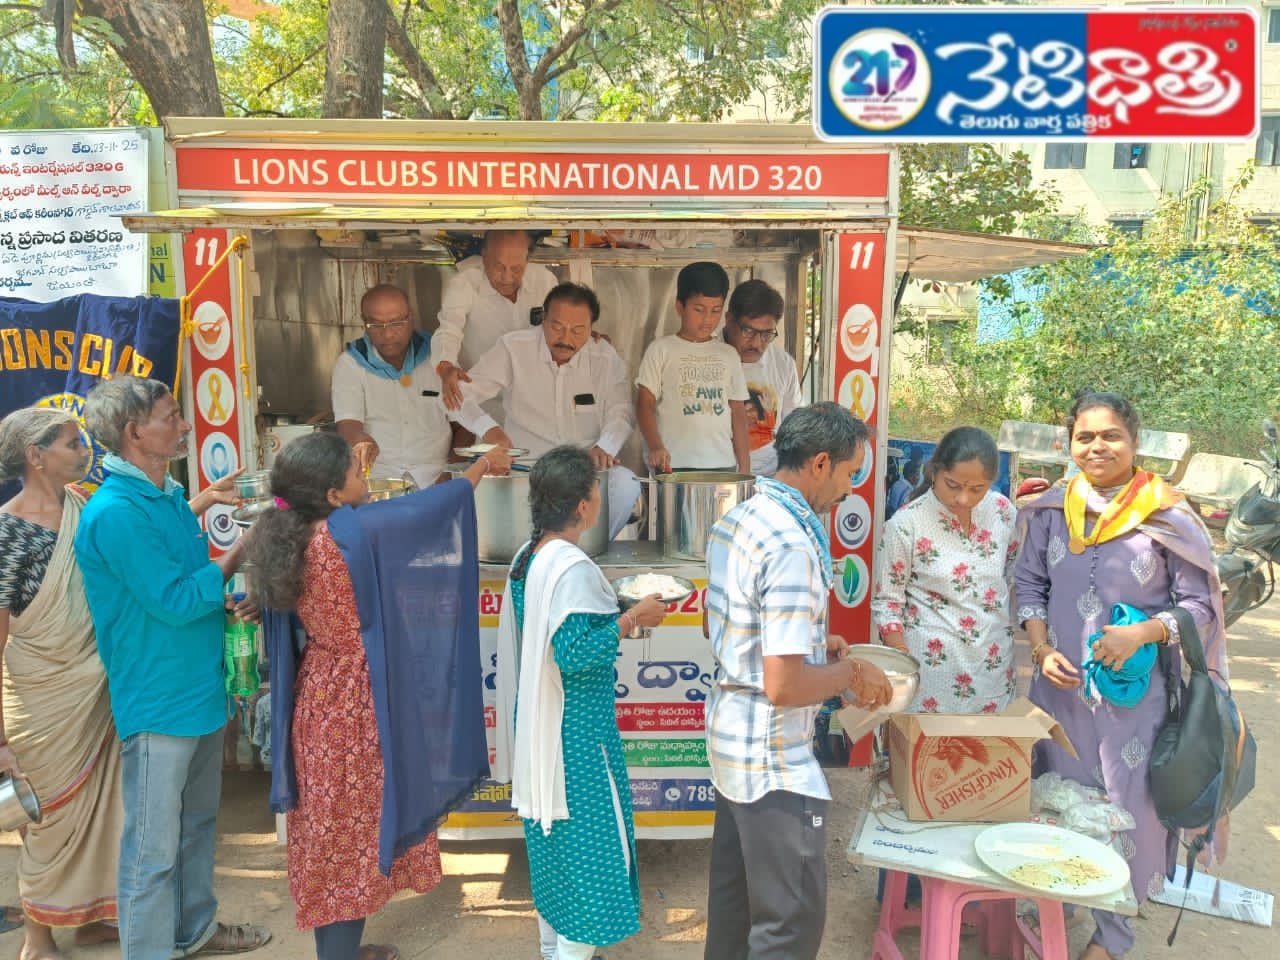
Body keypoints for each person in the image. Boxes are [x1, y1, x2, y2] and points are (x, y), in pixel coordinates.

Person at [249, 433, 511, 960]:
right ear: (331, 494)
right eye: (354, 472)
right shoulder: (352, 536)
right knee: (352, 841)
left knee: (334, 837)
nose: (363, 477)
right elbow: (428, 509)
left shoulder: (288, 533)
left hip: (319, 697)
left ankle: (343, 950)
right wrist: (481, 466)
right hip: (360, 704)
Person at [1014, 391, 1227, 960]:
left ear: (1134, 441)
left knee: (1127, 812)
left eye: (1110, 435)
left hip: (1134, 705)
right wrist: (1039, 649)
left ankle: (1110, 939)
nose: (1097, 446)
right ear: (1070, 444)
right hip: (1057, 695)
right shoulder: (1052, 509)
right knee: (1056, 805)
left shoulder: (1166, 515)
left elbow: (1199, 606)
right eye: (1085, 436)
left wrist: (1142, 633)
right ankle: (1052, 915)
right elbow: (1029, 587)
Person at [73, 376, 270, 960]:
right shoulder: (115, 513)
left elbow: (191, 579)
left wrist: (230, 590)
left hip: (199, 687)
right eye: (172, 415)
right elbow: (178, 600)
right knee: (151, 851)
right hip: (158, 701)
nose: (184, 426)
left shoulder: (161, 496)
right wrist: (243, 550)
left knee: (197, 827)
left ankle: (194, 932)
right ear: (136, 433)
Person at [703, 403, 893, 960]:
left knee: (735, 913)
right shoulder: (790, 544)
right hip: (771, 758)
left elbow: (726, 626)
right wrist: (851, 674)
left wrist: (818, 647)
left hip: (732, 740)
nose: (849, 487)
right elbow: (783, 686)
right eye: (849, 472)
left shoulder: (740, 517)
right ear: (818, 462)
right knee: (789, 924)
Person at [493, 446, 667, 960]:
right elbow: (573, 653)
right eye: (595, 490)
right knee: (591, 858)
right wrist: (632, 620)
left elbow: (558, 627)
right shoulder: (568, 566)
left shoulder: (531, 556)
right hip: (575, 738)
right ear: (584, 506)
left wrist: (613, 605)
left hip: (544, 725)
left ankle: (552, 950)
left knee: (553, 855)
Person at [0, 407, 121, 960]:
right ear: (36, 455)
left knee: (103, 808)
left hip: (94, 686)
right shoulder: (7, 532)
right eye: (73, 444)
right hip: (39, 696)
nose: (84, 451)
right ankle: (37, 938)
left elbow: (131, 552)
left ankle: (94, 916)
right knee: (46, 819)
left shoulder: (84, 509)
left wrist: (207, 501)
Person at [454, 282, 640, 537]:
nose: (566, 339)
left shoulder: (604, 357)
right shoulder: (514, 348)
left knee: (626, 484)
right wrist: (489, 430)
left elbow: (622, 412)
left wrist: (604, 448)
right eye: (557, 327)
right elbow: (456, 396)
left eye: (577, 330)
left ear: (591, 329)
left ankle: (580, 552)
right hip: (524, 472)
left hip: (581, 473)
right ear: (543, 319)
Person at [871, 427, 1018, 714]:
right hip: (930, 677)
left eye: (977, 489)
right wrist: (903, 667)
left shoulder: (1003, 512)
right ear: (934, 472)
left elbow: (1013, 576)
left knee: (990, 756)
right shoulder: (905, 524)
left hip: (993, 670)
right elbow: (887, 603)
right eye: (953, 485)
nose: (963, 498)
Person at [332, 283, 458, 486]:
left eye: (396, 323)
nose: (388, 334)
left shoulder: (439, 359)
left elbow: (464, 425)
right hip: (378, 480)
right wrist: (360, 440)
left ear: (411, 317)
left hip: (436, 476)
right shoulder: (351, 363)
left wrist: (450, 474)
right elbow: (348, 424)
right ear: (364, 323)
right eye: (376, 325)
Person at [636, 262, 750, 473]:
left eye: (715, 310)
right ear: (680, 307)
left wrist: (744, 467)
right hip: (672, 465)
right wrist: (655, 446)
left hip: (722, 465)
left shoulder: (729, 355)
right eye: (699, 310)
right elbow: (645, 404)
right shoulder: (661, 349)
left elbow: (738, 414)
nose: (707, 319)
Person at [435, 230, 559, 410]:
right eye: (499, 266)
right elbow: (448, 330)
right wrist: (445, 366)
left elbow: (560, 324)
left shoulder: (545, 281)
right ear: (484, 256)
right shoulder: (464, 284)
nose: (507, 278)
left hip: (535, 400)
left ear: (527, 259)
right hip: (484, 404)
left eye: (516, 269)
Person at [722, 279, 802, 477]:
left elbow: (793, 427)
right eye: (748, 331)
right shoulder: (706, 357)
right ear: (729, 320)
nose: (757, 343)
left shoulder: (783, 364)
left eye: (767, 334)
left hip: (770, 478)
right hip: (717, 475)